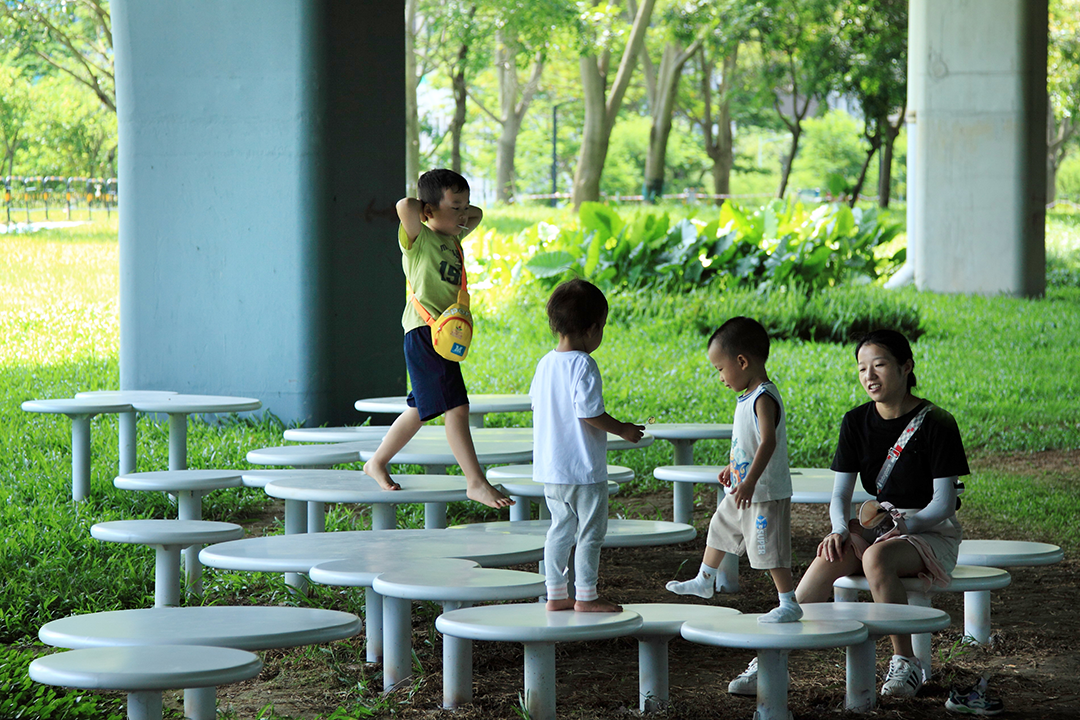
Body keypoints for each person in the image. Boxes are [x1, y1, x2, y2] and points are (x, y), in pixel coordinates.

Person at [727, 329, 968, 699]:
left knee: (877, 557)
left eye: (880, 365)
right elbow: (840, 493)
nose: (869, 376)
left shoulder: (938, 422)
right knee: (831, 553)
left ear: (906, 367)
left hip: (930, 530)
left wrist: (905, 525)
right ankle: (771, 658)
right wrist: (839, 529)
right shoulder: (855, 422)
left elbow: (944, 503)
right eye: (861, 369)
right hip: (879, 524)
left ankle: (906, 663)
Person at [363, 168, 512, 509]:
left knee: (421, 407)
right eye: (456, 207)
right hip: (424, 331)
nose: (464, 215)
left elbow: (478, 215)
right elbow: (404, 205)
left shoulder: (452, 240)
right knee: (456, 407)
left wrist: (454, 210)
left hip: (442, 334)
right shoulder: (419, 239)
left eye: (464, 206)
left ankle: (376, 462)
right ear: (428, 212)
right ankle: (475, 482)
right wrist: (429, 207)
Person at [666, 317, 801, 624]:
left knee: (768, 550)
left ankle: (788, 602)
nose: (720, 377)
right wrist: (732, 467)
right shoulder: (745, 397)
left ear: (741, 362)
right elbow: (749, 442)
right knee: (720, 527)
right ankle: (705, 579)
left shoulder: (764, 398)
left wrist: (751, 480)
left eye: (720, 369)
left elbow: (768, 442)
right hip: (742, 488)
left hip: (763, 492)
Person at [530, 279, 644, 612]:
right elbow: (589, 413)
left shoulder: (545, 363)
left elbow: (538, 405)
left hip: (553, 469)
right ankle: (587, 597)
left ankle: (555, 594)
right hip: (583, 469)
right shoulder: (584, 365)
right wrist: (622, 429)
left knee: (559, 530)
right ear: (592, 329)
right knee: (591, 532)